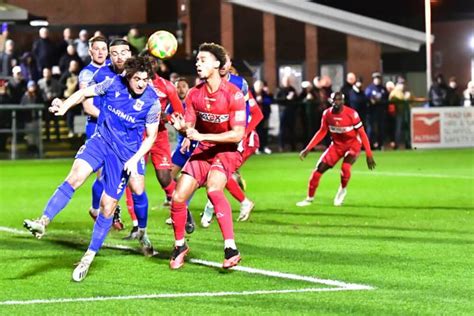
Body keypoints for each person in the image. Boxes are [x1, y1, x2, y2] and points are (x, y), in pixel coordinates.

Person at [23, 56, 160, 282]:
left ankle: (88, 256)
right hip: (101, 142)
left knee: (108, 206)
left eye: (145, 79)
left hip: (124, 155)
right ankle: (43, 221)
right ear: (128, 76)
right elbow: (84, 93)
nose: (141, 83)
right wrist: (65, 105)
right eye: (137, 79)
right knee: (75, 177)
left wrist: (135, 158)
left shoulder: (151, 102)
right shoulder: (113, 83)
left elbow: (151, 136)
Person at [169, 42, 246, 269]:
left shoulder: (234, 94)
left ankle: (231, 248)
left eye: (203, 60)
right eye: (197, 60)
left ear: (217, 64)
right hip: (204, 149)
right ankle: (180, 245)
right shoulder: (194, 94)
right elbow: (190, 125)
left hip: (228, 151)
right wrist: (183, 128)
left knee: (214, 189)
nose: (197, 63)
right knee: (178, 197)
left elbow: (237, 134)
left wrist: (201, 136)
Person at [200, 54, 263, 226]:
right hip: (226, 139)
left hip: (245, 140)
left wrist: (243, 133)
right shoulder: (208, 86)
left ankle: (223, 207)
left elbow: (257, 114)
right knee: (217, 173)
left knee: (220, 173)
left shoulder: (240, 85)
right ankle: (222, 204)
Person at [296, 91, 375, 207]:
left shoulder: (352, 114)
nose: (337, 102)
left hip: (353, 144)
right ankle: (309, 199)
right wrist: (308, 148)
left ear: (343, 101)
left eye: (339, 100)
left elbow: (362, 134)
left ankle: (342, 190)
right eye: (334, 100)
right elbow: (322, 131)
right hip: (336, 146)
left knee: (345, 167)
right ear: (330, 101)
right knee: (317, 171)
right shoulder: (327, 114)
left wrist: (369, 154)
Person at [38, 67, 62, 141]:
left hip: (54, 103)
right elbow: (39, 93)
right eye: (45, 73)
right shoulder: (39, 82)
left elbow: (59, 92)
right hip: (45, 103)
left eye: (48, 72)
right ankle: (47, 137)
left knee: (56, 121)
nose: (47, 74)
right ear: (43, 74)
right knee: (47, 121)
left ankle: (58, 137)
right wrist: (45, 97)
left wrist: (53, 95)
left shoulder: (56, 82)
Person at [365, 72, 388, 150]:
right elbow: (366, 99)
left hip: (381, 112)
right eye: (375, 78)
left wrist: (380, 101)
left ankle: (380, 144)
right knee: (371, 129)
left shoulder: (383, 89)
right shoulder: (369, 89)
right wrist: (371, 101)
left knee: (381, 129)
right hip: (372, 112)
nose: (377, 80)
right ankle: (370, 145)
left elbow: (386, 100)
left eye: (378, 78)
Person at [251, 80, 273, 154]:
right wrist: (256, 101)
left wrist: (262, 100)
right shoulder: (251, 93)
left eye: (261, 86)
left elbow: (269, 101)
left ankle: (264, 147)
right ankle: (256, 148)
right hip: (253, 117)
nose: (260, 88)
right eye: (258, 86)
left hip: (264, 116)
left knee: (264, 131)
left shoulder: (265, 94)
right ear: (254, 86)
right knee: (255, 132)